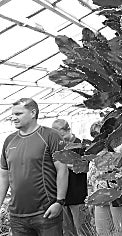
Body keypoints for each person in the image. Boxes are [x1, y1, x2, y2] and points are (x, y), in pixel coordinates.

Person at [0, 98, 68, 236]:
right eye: (12, 114)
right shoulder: (9, 141)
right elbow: (3, 175)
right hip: (17, 216)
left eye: (18, 114)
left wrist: (59, 202)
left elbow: (62, 170)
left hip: (46, 213)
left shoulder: (50, 136)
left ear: (32, 113)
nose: (13, 118)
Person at [87, 121, 122, 236]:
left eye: (99, 134)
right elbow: (91, 180)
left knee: (121, 231)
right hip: (100, 197)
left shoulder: (119, 152)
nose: (97, 137)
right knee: (102, 230)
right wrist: (91, 198)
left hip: (117, 196)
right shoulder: (93, 155)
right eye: (94, 135)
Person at [52, 119, 91, 236]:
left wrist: (64, 166)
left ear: (68, 130)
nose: (60, 138)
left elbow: (86, 168)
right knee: (67, 231)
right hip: (63, 197)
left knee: (83, 230)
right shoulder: (58, 146)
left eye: (61, 134)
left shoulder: (81, 146)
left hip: (78, 196)